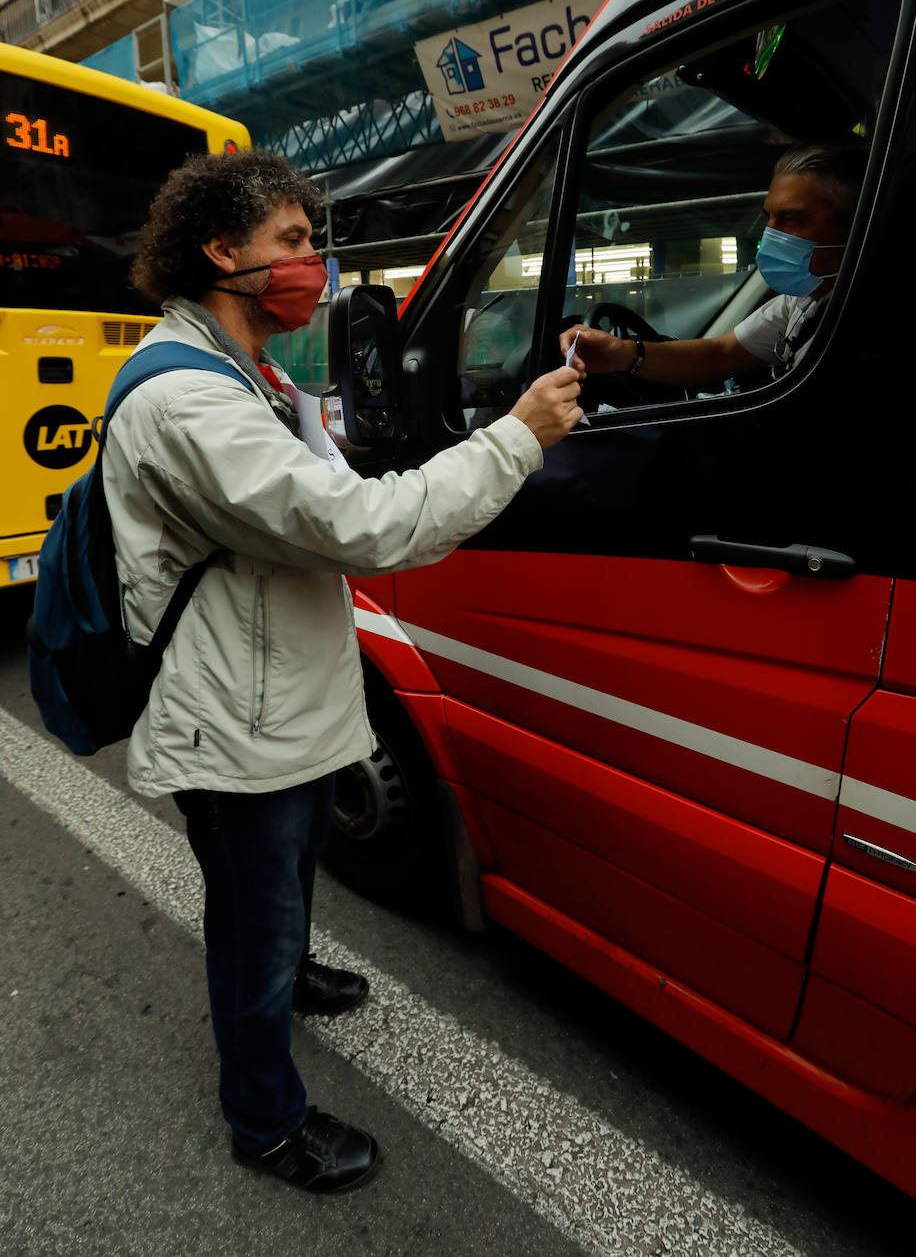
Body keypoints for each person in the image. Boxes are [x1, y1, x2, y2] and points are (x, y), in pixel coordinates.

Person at [105, 149, 581, 1196]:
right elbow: (351, 524)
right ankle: (266, 1122)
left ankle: (291, 970)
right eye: (290, 242)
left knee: (287, 878)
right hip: (238, 725)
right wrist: (513, 439)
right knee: (251, 922)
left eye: (312, 242)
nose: (310, 264)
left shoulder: (250, 370)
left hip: (284, 700)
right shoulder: (188, 402)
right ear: (219, 253)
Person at [560, 143, 865, 388]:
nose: (770, 234)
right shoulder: (799, 304)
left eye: (790, 218)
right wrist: (621, 353)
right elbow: (720, 354)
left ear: (854, 224)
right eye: (769, 218)